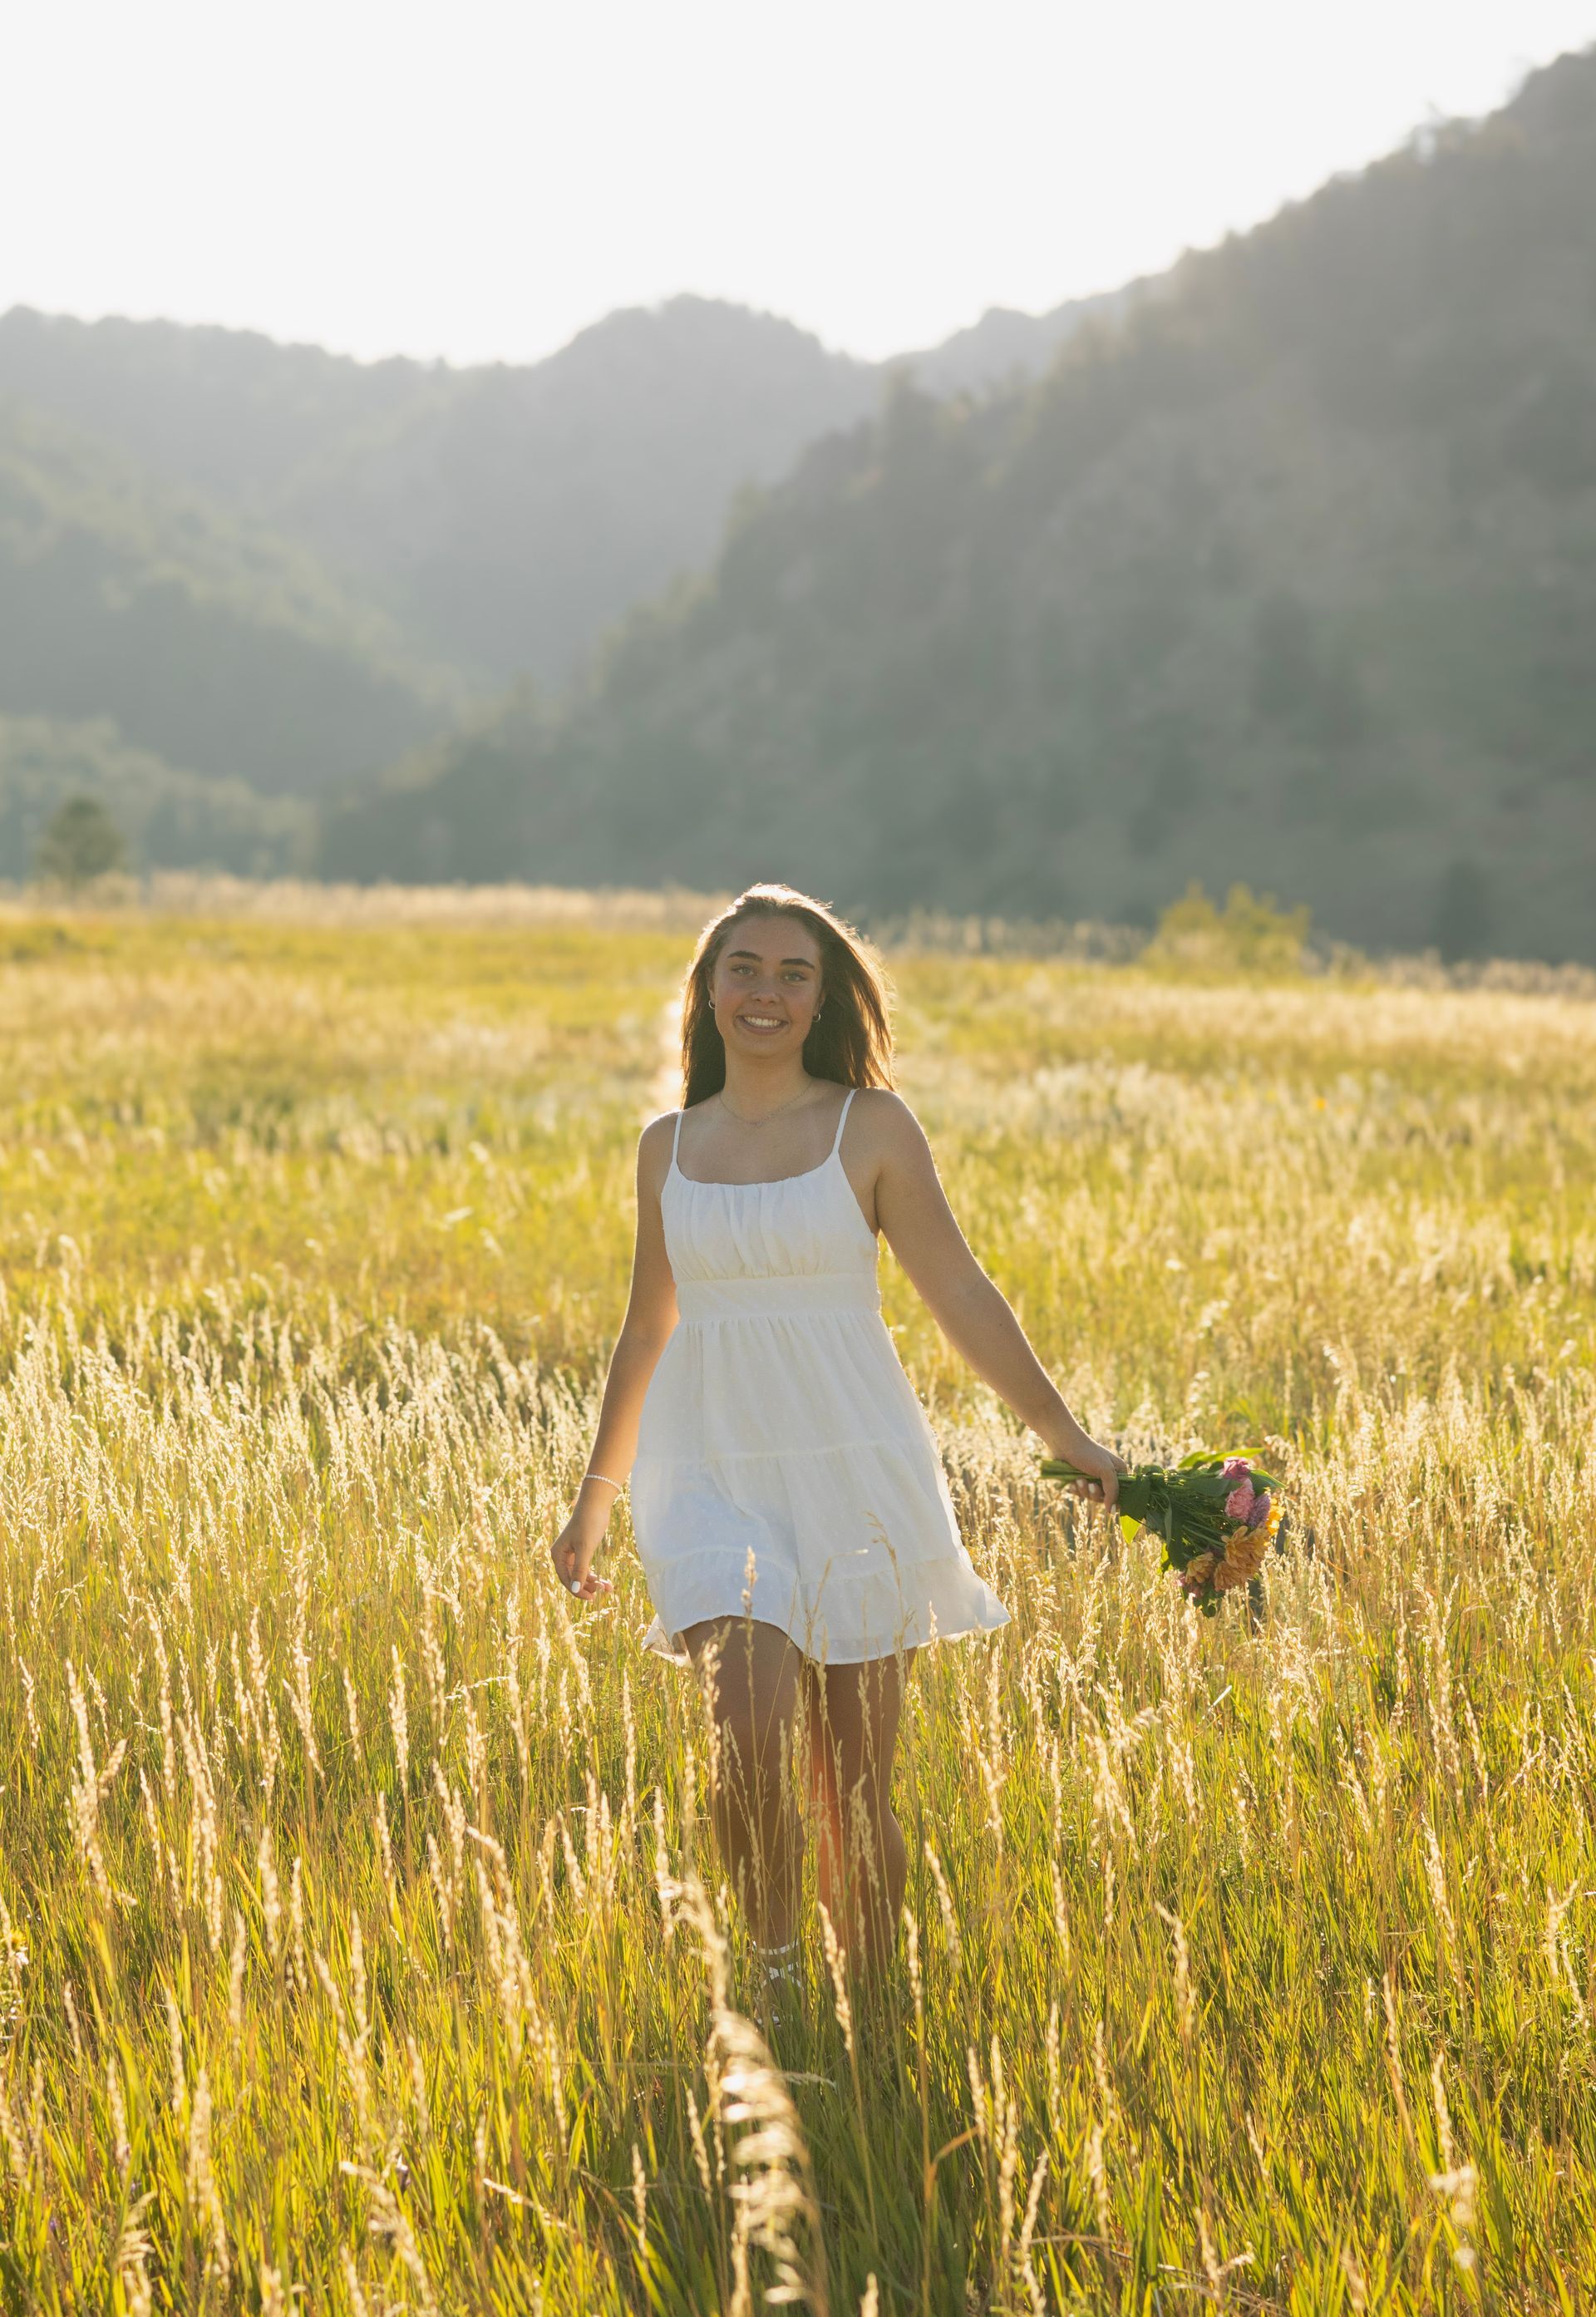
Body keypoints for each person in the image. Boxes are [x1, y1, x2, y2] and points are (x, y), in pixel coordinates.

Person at [551, 884, 1123, 1989]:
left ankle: (873, 2004)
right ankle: (773, 1976)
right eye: (745, 970)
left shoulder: (873, 1127)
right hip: (708, 1472)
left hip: (855, 1464)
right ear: (710, 991)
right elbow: (646, 1325)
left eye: (792, 974)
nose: (766, 991)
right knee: (747, 1740)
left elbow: (956, 1285)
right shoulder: (664, 1147)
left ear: (823, 1000)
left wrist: (1060, 1430)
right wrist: (596, 1498)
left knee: (855, 1789)